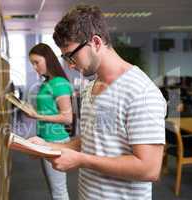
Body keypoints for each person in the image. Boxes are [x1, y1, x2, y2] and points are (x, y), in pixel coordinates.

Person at [29, 5, 167, 200]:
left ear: (95, 42)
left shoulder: (141, 91)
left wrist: (82, 160)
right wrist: (48, 147)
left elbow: (149, 169)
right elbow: (92, 140)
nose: (69, 64)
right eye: (65, 57)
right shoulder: (90, 88)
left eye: (72, 55)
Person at [27, 43, 73, 200]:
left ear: (47, 59)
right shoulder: (47, 83)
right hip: (45, 138)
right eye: (32, 63)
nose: (34, 67)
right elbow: (47, 109)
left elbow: (67, 117)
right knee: (54, 189)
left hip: (56, 140)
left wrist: (38, 116)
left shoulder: (59, 83)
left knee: (59, 191)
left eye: (36, 62)